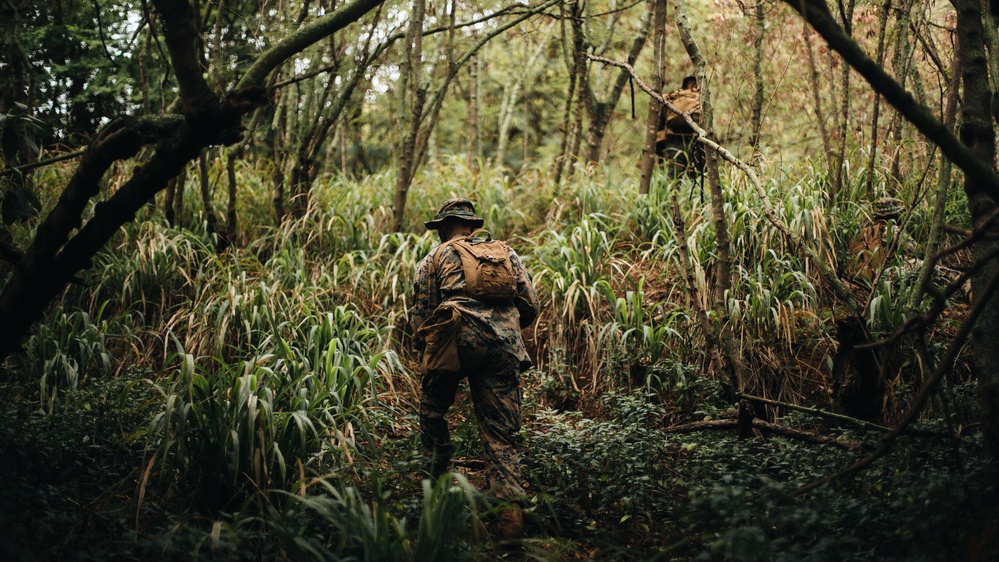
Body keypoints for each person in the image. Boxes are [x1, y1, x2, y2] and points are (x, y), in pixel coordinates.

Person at [410, 198, 540, 539]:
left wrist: (428, 352)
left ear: (441, 229)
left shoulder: (434, 258)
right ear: (472, 225)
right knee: (501, 432)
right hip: (504, 345)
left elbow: (423, 315)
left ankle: (436, 493)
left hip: (455, 341)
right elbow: (530, 305)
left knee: (433, 412)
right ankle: (510, 516)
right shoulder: (505, 253)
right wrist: (505, 327)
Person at [845, 196, 918, 284]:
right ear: (896, 215)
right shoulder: (893, 230)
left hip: (864, 277)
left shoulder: (865, 231)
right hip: (885, 276)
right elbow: (915, 251)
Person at [656, 75, 704, 179]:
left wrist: (659, 147)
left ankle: (673, 195)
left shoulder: (672, 98)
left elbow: (659, 125)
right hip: (696, 142)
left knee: (673, 178)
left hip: (673, 141)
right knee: (697, 180)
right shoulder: (701, 99)